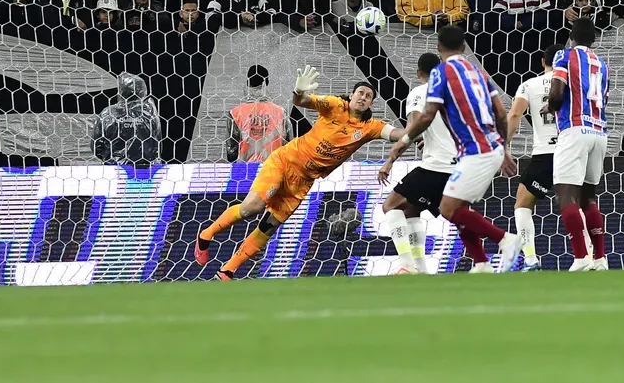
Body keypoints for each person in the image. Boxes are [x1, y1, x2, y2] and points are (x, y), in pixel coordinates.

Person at [195, 70, 405, 279]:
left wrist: (424, 126)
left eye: (368, 96)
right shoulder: (334, 105)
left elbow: (399, 134)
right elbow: (301, 101)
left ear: (371, 104)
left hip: (303, 181)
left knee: (269, 227)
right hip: (285, 161)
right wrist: (298, 90)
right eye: (361, 92)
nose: (363, 97)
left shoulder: (370, 127)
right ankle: (206, 235)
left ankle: (227, 270)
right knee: (252, 208)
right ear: (351, 95)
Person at [378, 25, 521, 274]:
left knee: (448, 208)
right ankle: (481, 262)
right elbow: (500, 112)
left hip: (475, 151)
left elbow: (425, 117)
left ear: (438, 47)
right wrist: (505, 148)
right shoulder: (478, 72)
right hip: (487, 148)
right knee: (457, 209)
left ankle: (505, 239)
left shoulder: (440, 74)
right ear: (464, 47)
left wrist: (402, 142)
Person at [380, 52, 459, 274]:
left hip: (435, 167)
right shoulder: (451, 94)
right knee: (412, 211)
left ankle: (405, 264)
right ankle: (421, 269)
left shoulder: (419, 92)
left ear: (418, 73)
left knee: (390, 206)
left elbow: (413, 127)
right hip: (457, 168)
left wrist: (390, 160)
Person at [547, 17, 609, 272]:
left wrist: (551, 107)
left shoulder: (564, 55)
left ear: (571, 36)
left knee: (565, 195)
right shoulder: (601, 63)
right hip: (598, 131)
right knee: (589, 198)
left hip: (574, 130)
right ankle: (600, 258)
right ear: (594, 40)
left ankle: (581, 256)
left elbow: (557, 92)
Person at [506, 44, 575, 272]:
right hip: (571, 149)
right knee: (578, 204)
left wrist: (505, 146)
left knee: (522, 203)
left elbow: (515, 114)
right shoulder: (574, 85)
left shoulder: (529, 85)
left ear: (542, 61)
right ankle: (591, 257)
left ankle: (531, 259)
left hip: (545, 153)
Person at [222, 66, 292, 163]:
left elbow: (231, 153)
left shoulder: (235, 113)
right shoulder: (280, 112)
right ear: (266, 83)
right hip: (273, 171)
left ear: (247, 83)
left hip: (245, 173)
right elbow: (289, 148)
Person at [91, 72, 162, 166]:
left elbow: (96, 145)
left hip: (114, 169)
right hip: (146, 169)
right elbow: (158, 145)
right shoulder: (149, 113)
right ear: (142, 91)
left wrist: (110, 159)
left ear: (121, 91)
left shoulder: (107, 113)